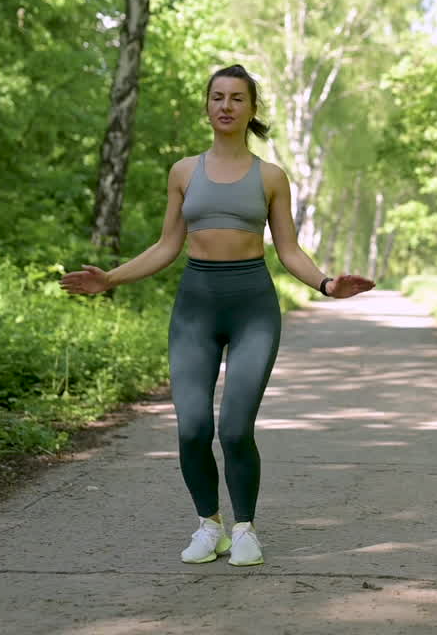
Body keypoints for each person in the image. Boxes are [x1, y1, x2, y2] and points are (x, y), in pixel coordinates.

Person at [61, 64, 375, 567]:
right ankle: (210, 525)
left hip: (253, 308)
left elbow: (288, 250)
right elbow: (167, 246)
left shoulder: (271, 177)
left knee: (234, 429)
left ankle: (245, 528)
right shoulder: (184, 172)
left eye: (236, 98)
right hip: (195, 308)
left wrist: (326, 284)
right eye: (217, 97)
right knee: (191, 429)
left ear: (252, 109)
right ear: (207, 106)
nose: (226, 106)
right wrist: (111, 278)